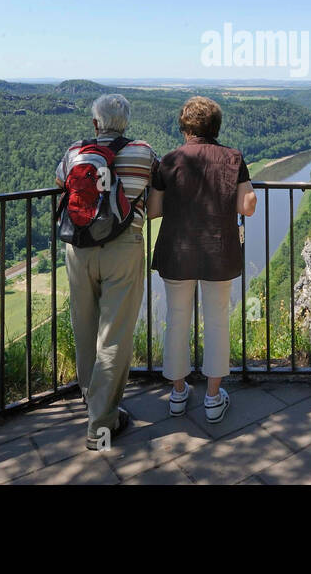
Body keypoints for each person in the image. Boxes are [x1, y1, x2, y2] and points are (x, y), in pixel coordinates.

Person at [55, 94, 157, 450]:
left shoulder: (74, 152)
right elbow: (156, 197)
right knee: (114, 333)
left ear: (95, 123)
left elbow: (61, 184)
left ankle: (91, 399)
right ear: (125, 123)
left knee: (84, 326)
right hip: (125, 247)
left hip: (79, 248)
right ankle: (101, 424)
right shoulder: (144, 152)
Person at [146, 96, 257, 423]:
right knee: (217, 320)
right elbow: (248, 205)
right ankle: (212, 398)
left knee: (177, 319)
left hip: (177, 251)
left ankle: (178, 394)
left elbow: (153, 210)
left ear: (184, 127)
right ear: (215, 127)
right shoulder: (233, 158)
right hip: (217, 251)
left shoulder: (168, 160)